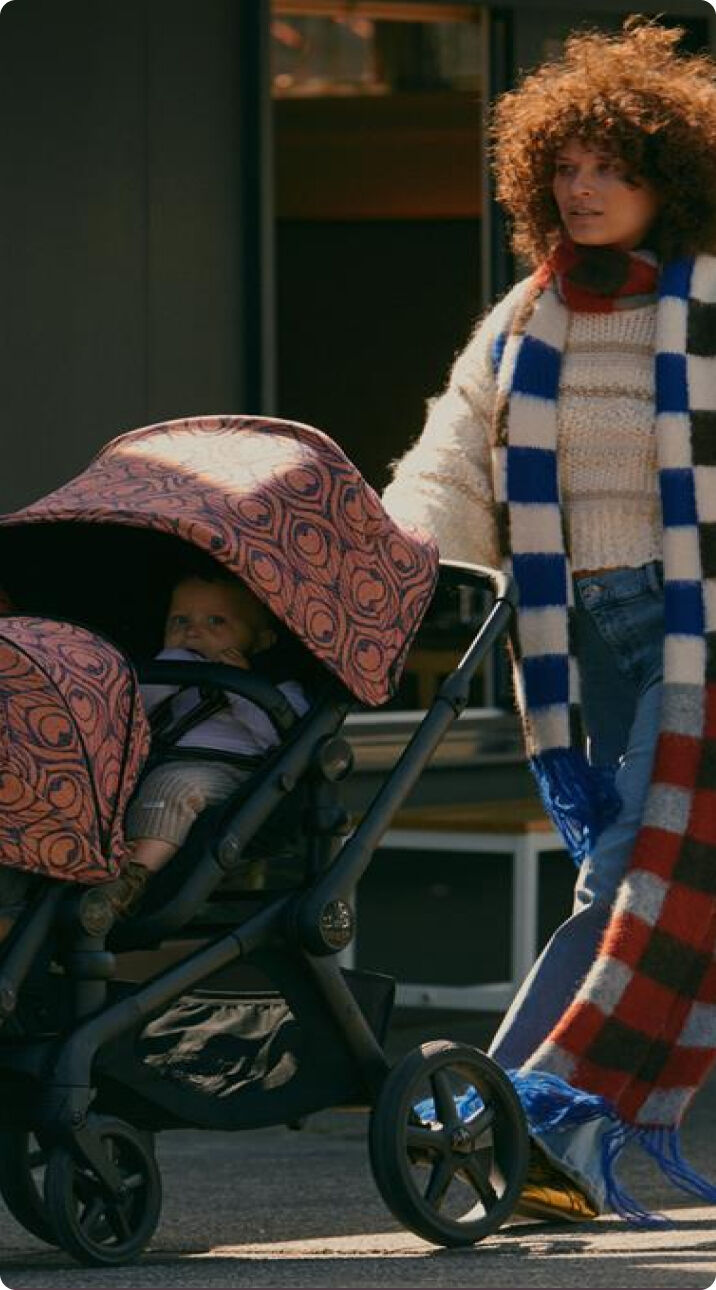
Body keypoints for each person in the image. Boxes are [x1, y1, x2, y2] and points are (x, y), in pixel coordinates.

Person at [383, 19, 716, 1223]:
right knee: (637, 884)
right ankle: (538, 1128)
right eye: (563, 169)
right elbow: (445, 462)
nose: (581, 190)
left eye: (611, 170)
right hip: (585, 636)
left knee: (631, 885)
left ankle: (508, 1115)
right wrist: (382, 561)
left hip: (698, 639)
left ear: (667, 182)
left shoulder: (709, 306)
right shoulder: (527, 319)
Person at [109, 566, 308, 914]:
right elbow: (130, 710)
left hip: (232, 774)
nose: (194, 632)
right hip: (159, 762)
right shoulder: (173, 676)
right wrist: (169, 670)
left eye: (216, 622)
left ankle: (131, 879)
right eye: (179, 621)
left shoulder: (279, 687)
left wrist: (238, 685)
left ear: (261, 640)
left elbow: (283, 739)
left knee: (171, 787)